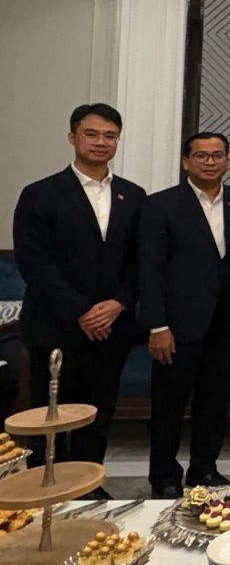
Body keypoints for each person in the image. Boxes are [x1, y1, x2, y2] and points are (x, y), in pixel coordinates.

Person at [13, 103, 146, 498]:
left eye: (110, 136)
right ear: (72, 137)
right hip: (56, 325)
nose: (100, 142)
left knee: (98, 412)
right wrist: (81, 311)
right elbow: (34, 262)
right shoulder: (40, 194)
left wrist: (119, 303)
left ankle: (89, 485)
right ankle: (47, 489)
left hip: (112, 326)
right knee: (51, 414)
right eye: (91, 134)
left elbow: (142, 260)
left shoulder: (133, 195)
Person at [138, 131, 230, 498]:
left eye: (218, 155)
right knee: (169, 403)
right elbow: (150, 269)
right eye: (201, 155)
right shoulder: (161, 205)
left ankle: (204, 468)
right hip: (176, 323)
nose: (210, 161)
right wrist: (157, 324)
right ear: (186, 161)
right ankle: (164, 476)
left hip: (224, 320)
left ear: (227, 160)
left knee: (214, 399)